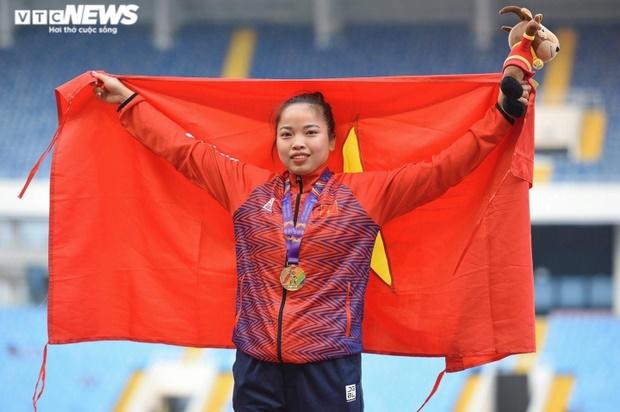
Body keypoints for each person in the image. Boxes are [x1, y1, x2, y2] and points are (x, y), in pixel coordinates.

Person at [91, 70, 530, 411]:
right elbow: (182, 150)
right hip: (256, 366)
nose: (297, 143)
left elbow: (443, 169)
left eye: (310, 132)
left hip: (329, 367)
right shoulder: (246, 186)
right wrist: (127, 102)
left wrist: (502, 118)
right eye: (287, 134)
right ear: (276, 141)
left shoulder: (366, 195)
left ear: (332, 139)